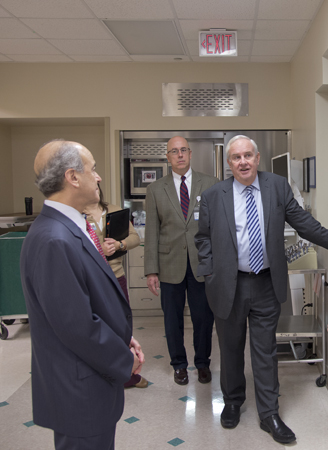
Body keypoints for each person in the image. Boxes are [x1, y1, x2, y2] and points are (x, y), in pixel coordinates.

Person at [195, 135, 328, 444]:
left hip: (266, 282)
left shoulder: (277, 186)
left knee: (265, 350)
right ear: (229, 163)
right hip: (228, 284)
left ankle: (269, 413)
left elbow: (302, 221)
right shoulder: (214, 195)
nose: (243, 162)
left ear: (257, 158)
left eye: (248, 156)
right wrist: (209, 270)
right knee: (230, 348)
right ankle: (233, 402)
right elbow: (202, 238)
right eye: (236, 157)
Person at [20, 139, 144, 449]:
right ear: (73, 177)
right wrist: (124, 358)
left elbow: (87, 300)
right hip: (79, 390)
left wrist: (122, 337)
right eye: (93, 169)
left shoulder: (70, 227)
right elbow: (77, 326)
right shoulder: (54, 240)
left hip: (87, 383)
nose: (98, 177)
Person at [144, 136, 219, 385]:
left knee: (203, 318)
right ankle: (178, 364)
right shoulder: (156, 190)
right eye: (174, 151)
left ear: (190, 153)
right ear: (167, 157)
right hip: (169, 265)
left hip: (202, 265)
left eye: (183, 150)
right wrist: (151, 271)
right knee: (172, 320)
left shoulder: (210, 184)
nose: (179, 155)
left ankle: (202, 363)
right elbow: (152, 232)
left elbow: (218, 228)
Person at [85, 184, 148, 388]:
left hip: (116, 276)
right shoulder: (77, 216)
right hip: (91, 280)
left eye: (96, 185)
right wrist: (99, 249)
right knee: (98, 327)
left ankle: (127, 373)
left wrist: (119, 245)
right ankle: (100, 373)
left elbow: (135, 238)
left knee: (121, 326)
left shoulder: (114, 211)